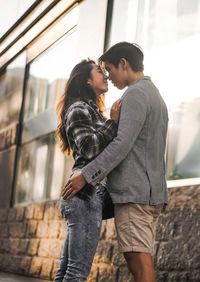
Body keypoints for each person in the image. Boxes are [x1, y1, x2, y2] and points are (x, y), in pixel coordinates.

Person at [62, 42, 169, 282]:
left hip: (134, 194)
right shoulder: (156, 95)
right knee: (140, 261)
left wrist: (85, 175)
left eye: (109, 69)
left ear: (123, 64)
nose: (108, 76)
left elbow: (121, 144)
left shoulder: (134, 94)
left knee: (139, 264)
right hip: (150, 193)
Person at [54, 59, 121, 281]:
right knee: (76, 272)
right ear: (86, 80)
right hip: (84, 196)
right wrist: (113, 123)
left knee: (66, 271)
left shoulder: (91, 109)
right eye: (98, 71)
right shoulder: (79, 108)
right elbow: (90, 147)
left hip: (84, 196)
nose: (105, 75)